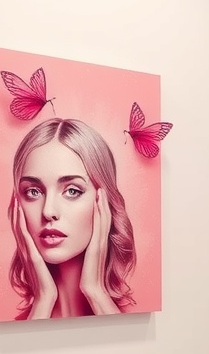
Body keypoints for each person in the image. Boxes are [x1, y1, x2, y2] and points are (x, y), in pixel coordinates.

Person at [8, 118, 136, 319]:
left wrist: (96, 292)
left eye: (72, 190)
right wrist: (44, 299)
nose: (48, 211)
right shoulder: (7, 335)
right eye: (33, 192)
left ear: (103, 201)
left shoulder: (139, 323)